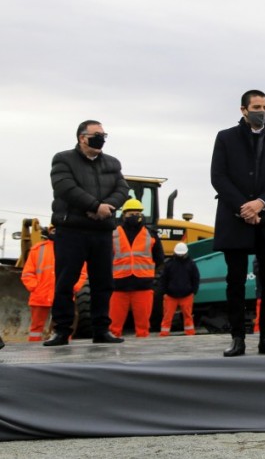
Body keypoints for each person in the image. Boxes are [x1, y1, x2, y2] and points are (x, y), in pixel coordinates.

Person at [211, 89, 265, 357]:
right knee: (235, 281)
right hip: (235, 218)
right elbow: (218, 176)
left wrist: (260, 204)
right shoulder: (225, 138)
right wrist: (244, 207)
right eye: (256, 106)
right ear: (243, 109)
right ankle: (237, 339)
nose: (262, 111)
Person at [45, 120, 129, 346]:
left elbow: (122, 188)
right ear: (82, 137)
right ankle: (61, 331)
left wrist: (107, 208)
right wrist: (94, 206)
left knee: (103, 283)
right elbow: (65, 187)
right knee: (65, 281)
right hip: (71, 231)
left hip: (101, 231)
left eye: (104, 134)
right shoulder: (63, 159)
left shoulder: (112, 163)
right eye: (97, 134)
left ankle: (101, 330)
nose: (101, 138)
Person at [109, 198, 165, 338]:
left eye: (137, 213)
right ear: (124, 215)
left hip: (143, 286)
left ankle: (142, 354)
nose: (134, 216)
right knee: (113, 327)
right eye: (130, 213)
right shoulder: (113, 234)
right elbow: (105, 257)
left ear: (141, 215)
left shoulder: (151, 235)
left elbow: (159, 258)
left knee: (143, 327)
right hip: (119, 285)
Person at [21, 225, 87, 341]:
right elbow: (27, 273)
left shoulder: (74, 249)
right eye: (53, 229)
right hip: (40, 296)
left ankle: (64, 352)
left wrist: (73, 287)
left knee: (65, 326)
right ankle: (33, 351)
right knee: (36, 328)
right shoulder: (37, 249)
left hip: (63, 296)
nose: (56, 232)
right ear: (49, 231)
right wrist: (35, 287)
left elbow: (82, 272)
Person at [159, 242, 200, 336]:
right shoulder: (170, 264)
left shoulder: (191, 264)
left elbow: (195, 278)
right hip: (171, 295)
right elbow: (163, 279)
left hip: (186, 295)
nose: (181, 255)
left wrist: (193, 291)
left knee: (187, 316)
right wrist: (164, 292)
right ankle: (164, 333)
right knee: (167, 316)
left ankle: (189, 333)